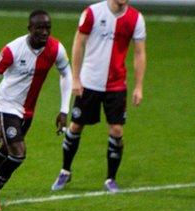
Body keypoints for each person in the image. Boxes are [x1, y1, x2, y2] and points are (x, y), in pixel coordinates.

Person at [0, 10, 72, 211]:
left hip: (27, 111)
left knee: (6, 151)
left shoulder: (56, 49)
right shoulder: (13, 50)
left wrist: (64, 110)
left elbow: (66, 73)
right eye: (39, 28)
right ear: (29, 29)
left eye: (47, 28)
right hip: (6, 106)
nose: (44, 32)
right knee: (18, 153)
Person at [51, 0, 146, 193]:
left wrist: (139, 86)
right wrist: (76, 78)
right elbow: (79, 42)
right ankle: (65, 170)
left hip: (117, 85)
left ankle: (111, 179)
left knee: (117, 130)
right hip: (90, 82)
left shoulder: (136, 18)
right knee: (76, 125)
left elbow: (139, 53)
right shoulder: (92, 13)